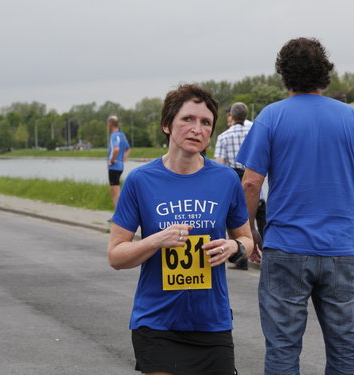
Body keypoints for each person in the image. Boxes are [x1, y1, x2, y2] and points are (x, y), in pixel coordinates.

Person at [108, 84, 253, 375]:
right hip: (157, 323)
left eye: (205, 122)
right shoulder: (140, 180)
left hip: (212, 322)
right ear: (167, 124)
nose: (197, 128)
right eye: (188, 119)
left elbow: (246, 239)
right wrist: (156, 240)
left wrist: (233, 248)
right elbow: (116, 256)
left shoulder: (226, 180)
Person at [237, 37, 354, 374]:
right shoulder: (352, 119)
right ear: (326, 72)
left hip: (286, 247)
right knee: (348, 346)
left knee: (283, 347)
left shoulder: (271, 117)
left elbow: (250, 183)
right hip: (341, 247)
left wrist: (249, 231)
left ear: (284, 74)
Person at [214, 102, 266, 270]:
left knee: (238, 226)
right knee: (263, 223)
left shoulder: (224, 136)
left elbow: (220, 166)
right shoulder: (255, 131)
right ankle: (270, 259)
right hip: (257, 181)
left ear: (232, 116)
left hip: (236, 183)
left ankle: (241, 260)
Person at [107, 115, 131, 209]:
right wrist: (124, 158)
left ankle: (119, 216)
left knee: (116, 192)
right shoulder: (122, 135)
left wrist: (112, 160)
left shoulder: (114, 135)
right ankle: (117, 214)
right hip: (120, 165)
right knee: (112, 190)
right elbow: (128, 149)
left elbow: (116, 149)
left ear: (110, 124)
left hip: (114, 166)